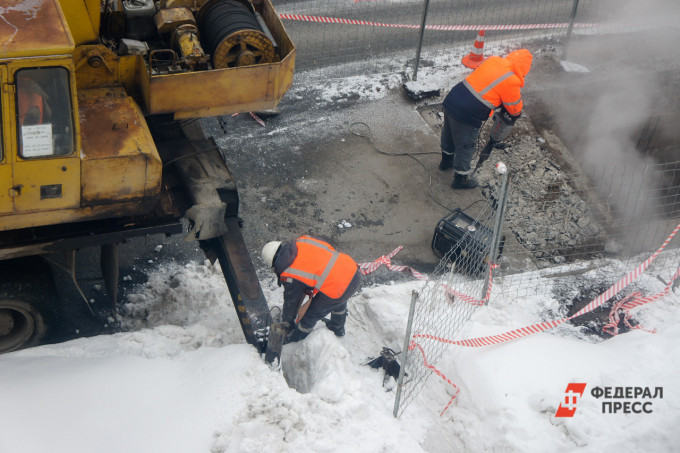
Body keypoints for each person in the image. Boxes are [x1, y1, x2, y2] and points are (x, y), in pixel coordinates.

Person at [439, 48, 533, 189]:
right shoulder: (512, 80)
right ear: (524, 68)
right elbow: (514, 109)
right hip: (468, 112)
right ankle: (461, 179)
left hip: (453, 98)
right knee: (466, 145)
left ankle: (445, 162)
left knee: (449, 134)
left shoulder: (494, 60)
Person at [262, 235, 362, 344]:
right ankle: (337, 327)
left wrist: (287, 322)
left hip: (337, 286)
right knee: (339, 299)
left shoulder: (289, 273)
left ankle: (296, 341)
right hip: (351, 270)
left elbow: (292, 302)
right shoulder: (302, 240)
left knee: (309, 317)